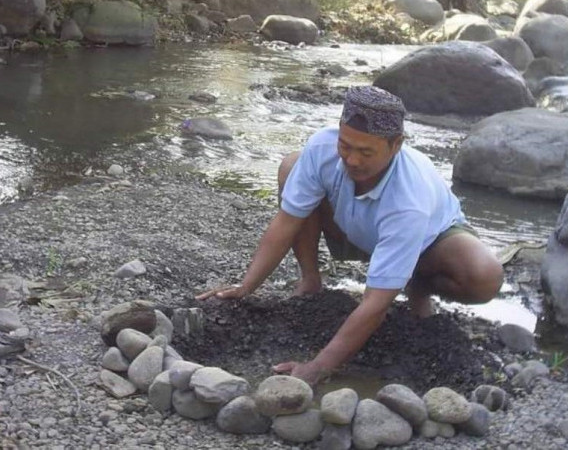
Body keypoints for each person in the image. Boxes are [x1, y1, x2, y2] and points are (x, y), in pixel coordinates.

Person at [196, 86, 504, 386]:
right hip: (353, 223)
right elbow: (286, 222)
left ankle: (415, 284)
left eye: (366, 151)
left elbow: (375, 304)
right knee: (293, 166)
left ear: (396, 144)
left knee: (484, 276)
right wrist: (246, 286)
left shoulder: (410, 199)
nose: (353, 160)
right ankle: (310, 280)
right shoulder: (322, 148)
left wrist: (318, 367)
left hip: (427, 245)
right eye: (346, 146)